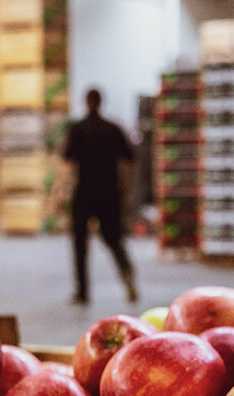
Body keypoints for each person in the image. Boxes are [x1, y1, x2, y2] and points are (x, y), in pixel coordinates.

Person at [61, 87, 139, 305]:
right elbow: (129, 162)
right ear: (100, 102)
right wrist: (126, 188)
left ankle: (82, 293)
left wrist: (61, 193)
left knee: (80, 246)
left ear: (86, 103)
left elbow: (68, 165)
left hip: (84, 194)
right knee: (114, 240)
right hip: (108, 194)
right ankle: (128, 277)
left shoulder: (77, 129)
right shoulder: (113, 129)